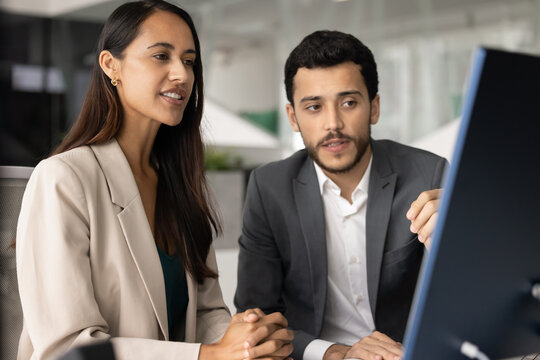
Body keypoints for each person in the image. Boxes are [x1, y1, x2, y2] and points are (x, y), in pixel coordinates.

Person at [15, 1, 293, 359]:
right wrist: (209, 355)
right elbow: (68, 348)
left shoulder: (180, 184)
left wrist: (248, 339)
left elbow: (206, 313)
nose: (182, 74)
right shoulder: (63, 179)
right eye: (161, 56)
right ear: (110, 66)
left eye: (189, 61)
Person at [234, 30, 447, 360]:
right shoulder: (268, 188)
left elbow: (464, 299)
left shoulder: (428, 175)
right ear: (293, 117)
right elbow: (256, 317)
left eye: (348, 103)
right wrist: (334, 353)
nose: (333, 124)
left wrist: (456, 242)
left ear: (374, 108)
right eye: (314, 107)